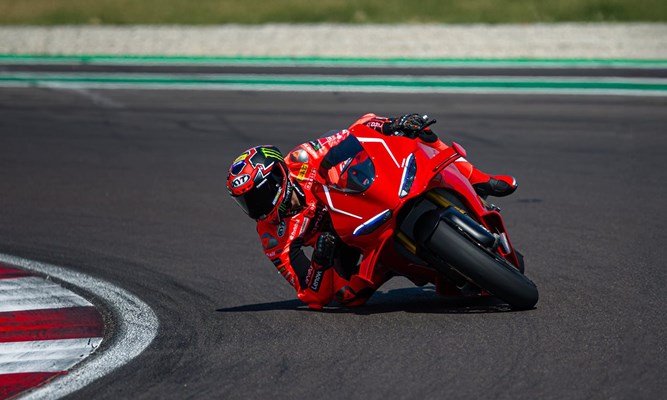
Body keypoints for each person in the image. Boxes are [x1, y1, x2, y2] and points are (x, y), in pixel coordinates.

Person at [226, 113, 518, 310]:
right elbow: (312, 294)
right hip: (343, 242)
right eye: (248, 202)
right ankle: (389, 264)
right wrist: (319, 261)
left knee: (419, 131)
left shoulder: (302, 158)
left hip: (359, 200)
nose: (258, 207)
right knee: (346, 299)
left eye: (260, 194)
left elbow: (353, 132)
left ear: (279, 175)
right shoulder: (272, 237)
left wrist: (392, 125)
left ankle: (478, 177)